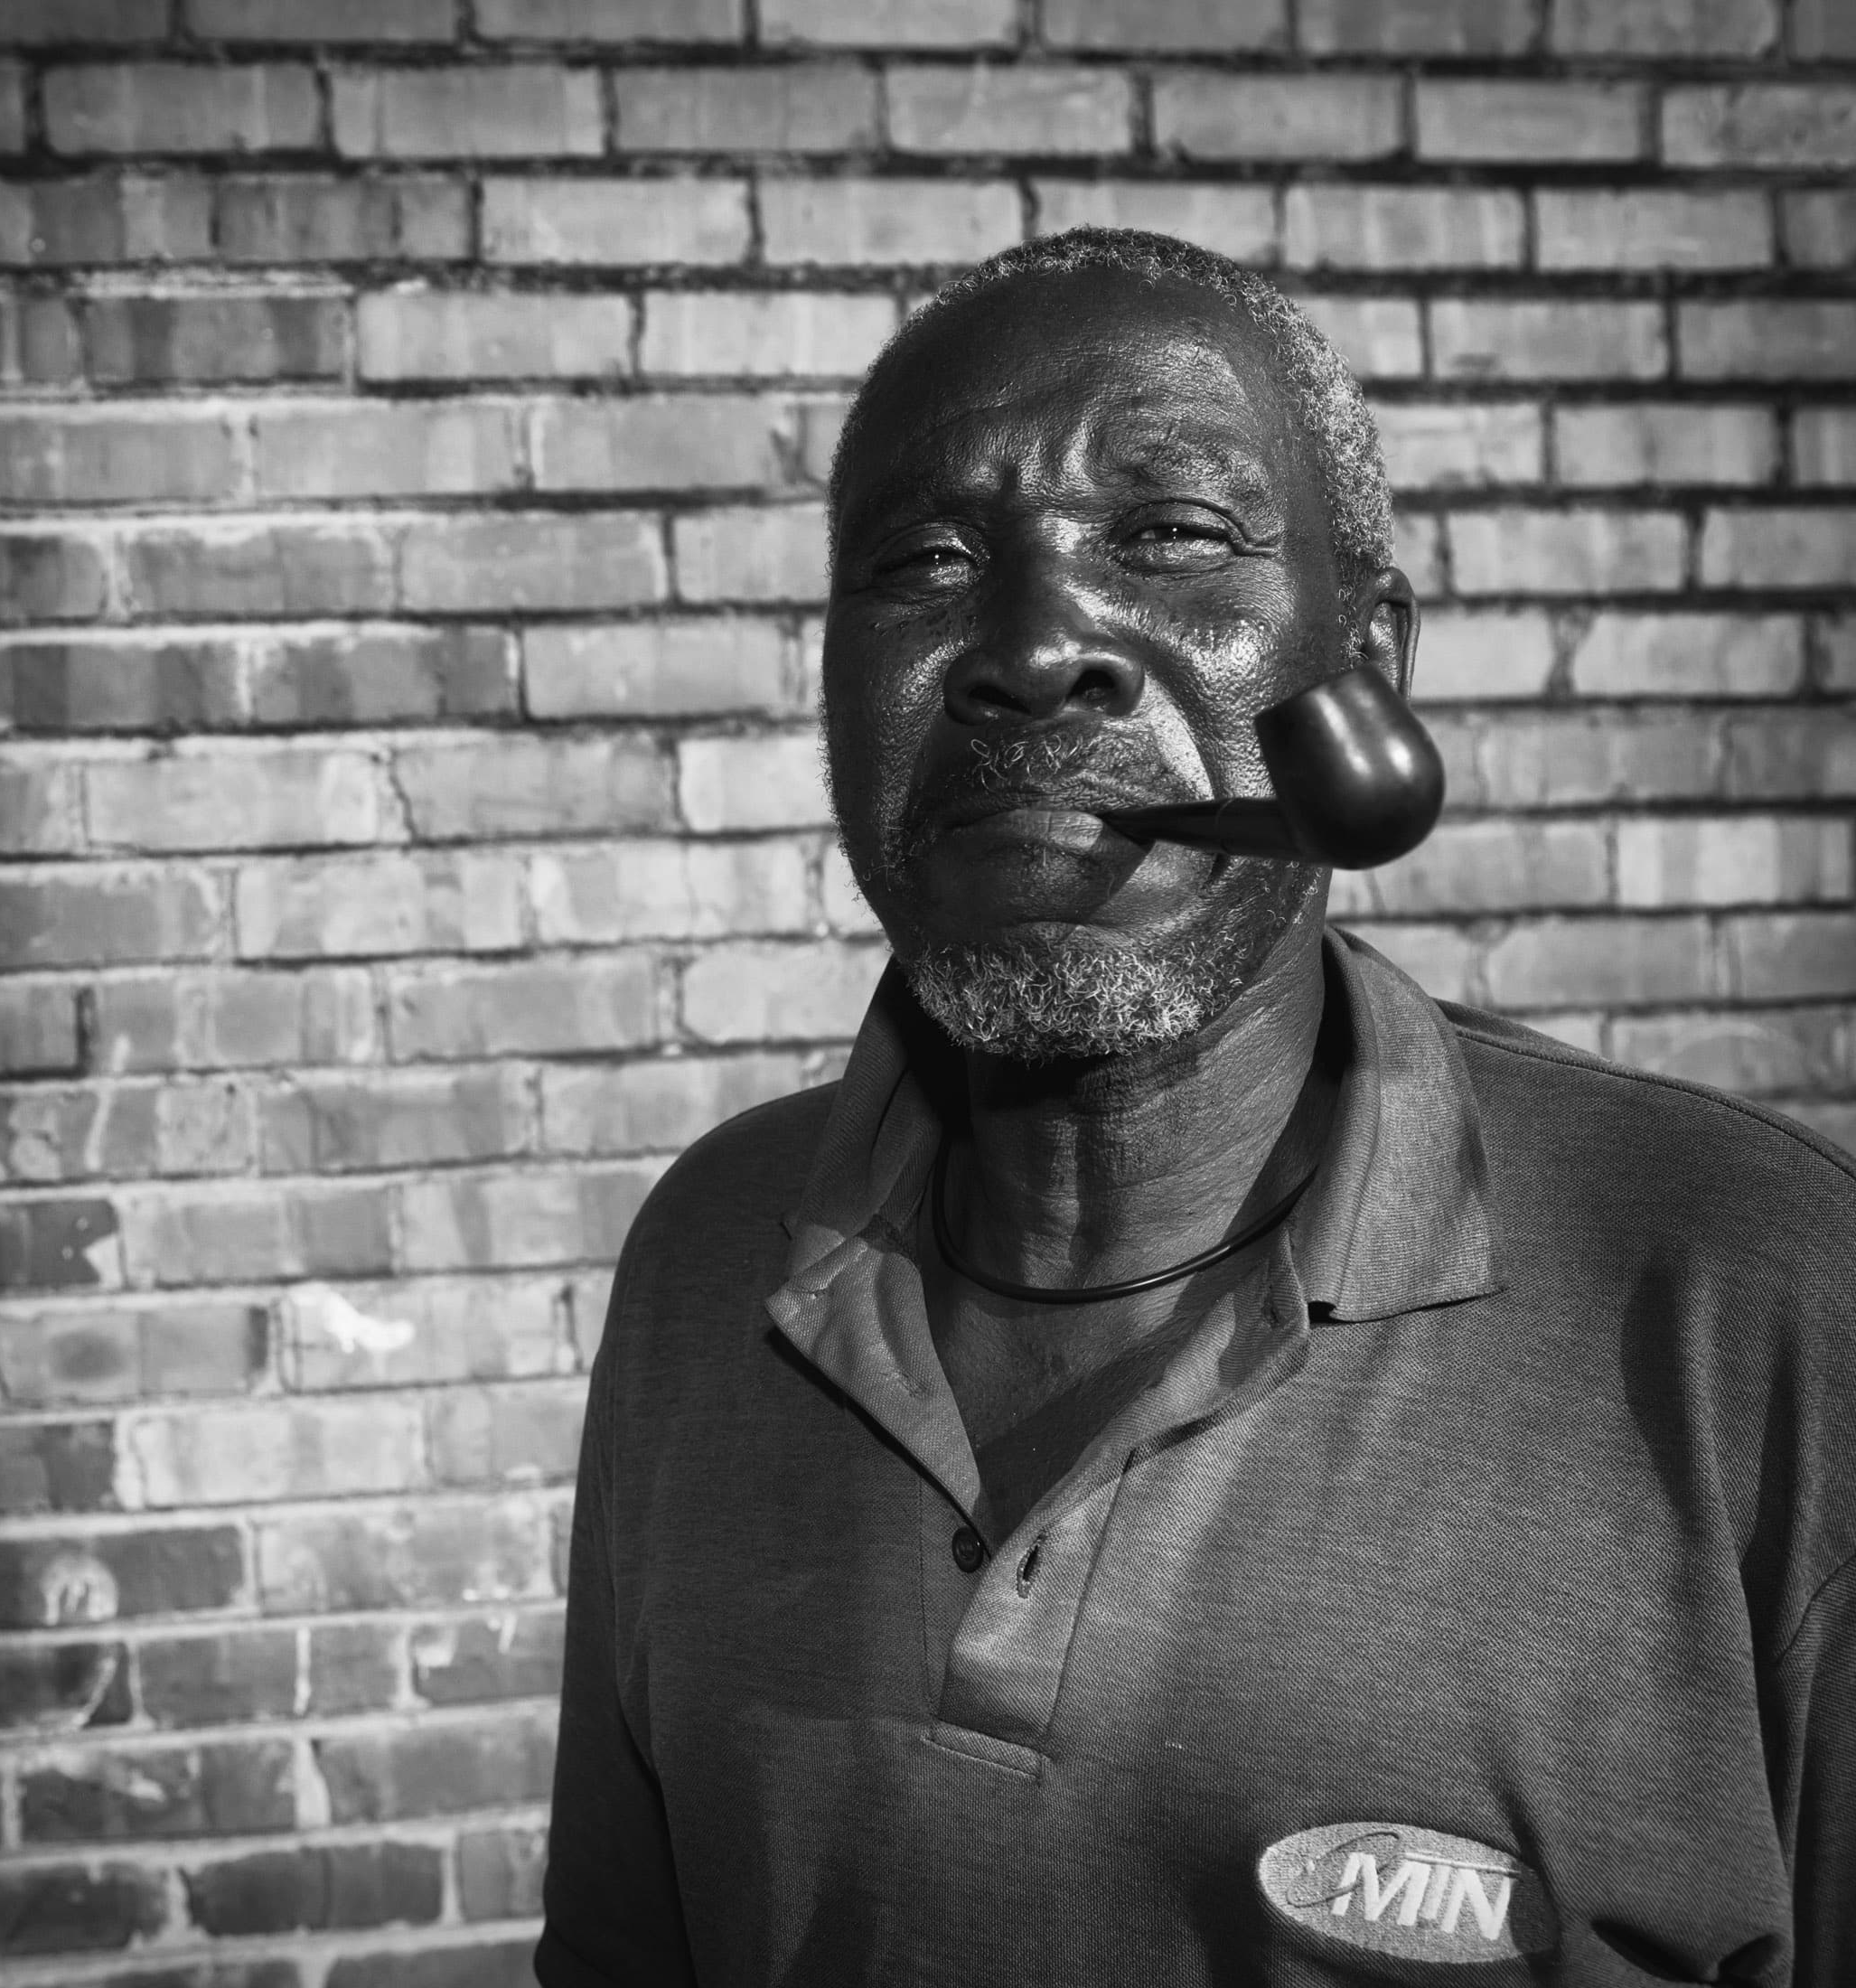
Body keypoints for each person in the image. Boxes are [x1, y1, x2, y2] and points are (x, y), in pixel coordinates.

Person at [534, 229, 1856, 1984]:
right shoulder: (708, 1252)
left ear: (1365, 658)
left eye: (1164, 536)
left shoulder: (1749, 1300)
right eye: (924, 559)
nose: (1033, 649)